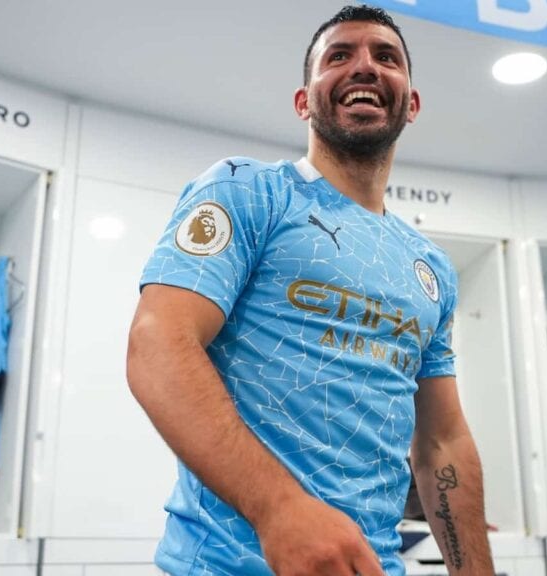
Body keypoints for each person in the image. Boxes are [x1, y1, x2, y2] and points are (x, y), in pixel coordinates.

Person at [128, 5, 493, 575]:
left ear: (411, 104)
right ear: (304, 101)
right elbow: (158, 343)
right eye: (339, 56)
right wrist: (278, 509)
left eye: (386, 57)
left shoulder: (432, 268)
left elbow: (442, 440)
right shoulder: (248, 191)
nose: (366, 66)